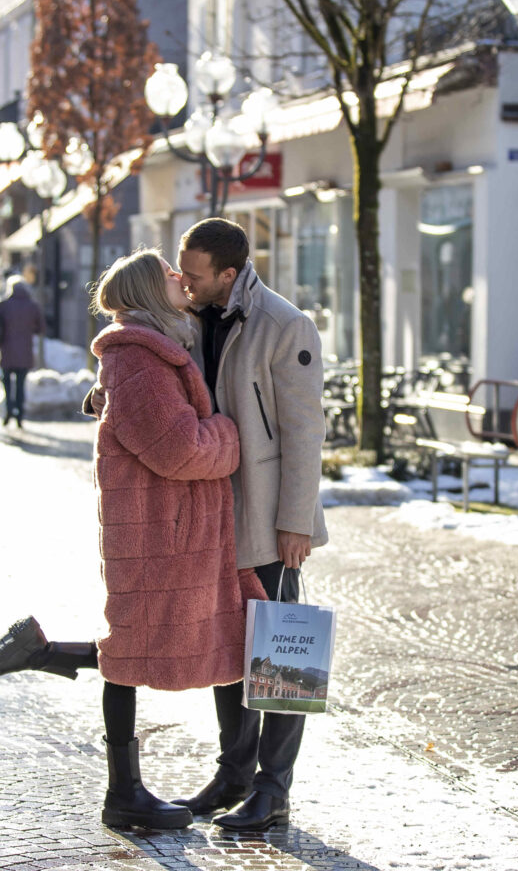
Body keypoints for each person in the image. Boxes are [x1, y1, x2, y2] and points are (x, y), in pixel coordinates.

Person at [0, 249, 257, 830]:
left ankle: (228, 777)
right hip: (162, 532)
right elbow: (182, 449)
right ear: (150, 291)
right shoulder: (140, 361)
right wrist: (229, 434)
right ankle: (130, 790)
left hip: (173, 528)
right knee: (134, 651)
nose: (180, 277)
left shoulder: (149, 352)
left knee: (183, 642)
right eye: (169, 273)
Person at [170, 217, 328, 832]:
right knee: (228, 648)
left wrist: (295, 522)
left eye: (195, 272)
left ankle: (272, 788)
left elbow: (305, 433)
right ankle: (233, 774)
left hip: (267, 516)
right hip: (213, 515)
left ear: (229, 276)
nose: (183, 279)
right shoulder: (187, 318)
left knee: (283, 648)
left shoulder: (285, 327)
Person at [0, 276, 45, 427]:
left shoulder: (3, 305)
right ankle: (19, 415)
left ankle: (9, 410)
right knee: (20, 385)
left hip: (6, 351)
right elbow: (41, 328)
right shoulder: (32, 305)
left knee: (7, 384)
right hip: (25, 352)